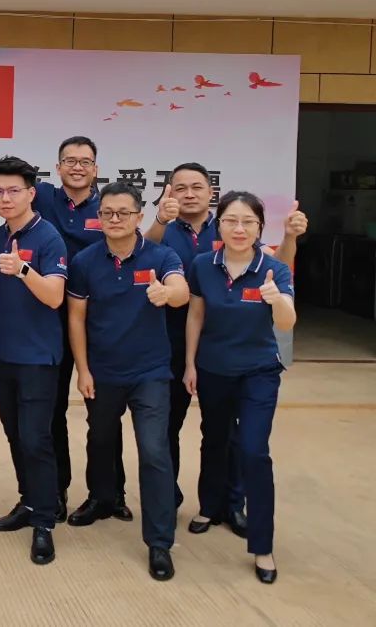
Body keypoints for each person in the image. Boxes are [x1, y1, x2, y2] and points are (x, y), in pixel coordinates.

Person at [0, 111, 128, 522]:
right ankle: (50, 496)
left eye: (85, 162)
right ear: (56, 168)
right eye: (69, 161)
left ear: (96, 168)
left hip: (96, 320)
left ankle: (108, 494)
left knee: (103, 412)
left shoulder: (108, 207)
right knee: (47, 417)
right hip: (42, 323)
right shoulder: (40, 197)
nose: (77, 167)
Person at [146, 163, 308, 524]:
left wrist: (290, 237)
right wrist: (159, 219)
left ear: (211, 192)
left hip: (230, 348)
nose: (189, 193)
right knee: (168, 427)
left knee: (234, 435)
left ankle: (232, 504)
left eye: (197, 186)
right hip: (171, 343)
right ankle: (168, 499)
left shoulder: (232, 226)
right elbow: (143, 252)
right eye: (180, 187)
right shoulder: (166, 229)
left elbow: (276, 270)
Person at [66, 182, 189, 581]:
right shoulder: (85, 261)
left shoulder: (161, 255)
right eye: (107, 213)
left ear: (139, 216)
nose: (115, 219)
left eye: (123, 213)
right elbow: (77, 318)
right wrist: (83, 369)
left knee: (154, 450)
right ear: (99, 216)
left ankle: (159, 542)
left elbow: (181, 291)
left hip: (150, 372)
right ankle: (103, 499)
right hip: (103, 371)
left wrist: (166, 294)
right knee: (100, 438)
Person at [184, 191, 296, 584]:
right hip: (213, 369)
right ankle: (210, 506)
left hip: (258, 372)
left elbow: (286, 322)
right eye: (231, 220)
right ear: (219, 225)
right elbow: (196, 315)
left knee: (253, 450)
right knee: (214, 438)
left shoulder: (274, 269)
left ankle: (262, 545)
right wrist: (190, 364)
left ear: (260, 228)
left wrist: (275, 299)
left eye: (248, 222)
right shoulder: (203, 264)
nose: (239, 228)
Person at [0, 157, 68, 565]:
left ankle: (45, 521)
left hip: (38, 356)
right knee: (15, 434)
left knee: (36, 438)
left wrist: (23, 269)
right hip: (2, 352)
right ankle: (28, 501)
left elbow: (54, 296)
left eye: (14, 190)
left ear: (32, 193)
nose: (5, 198)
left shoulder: (48, 236)